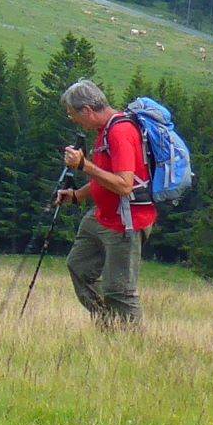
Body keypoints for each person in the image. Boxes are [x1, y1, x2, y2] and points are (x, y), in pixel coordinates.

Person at [56, 79, 156, 328]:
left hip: (126, 221)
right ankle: (110, 326)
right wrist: (78, 195)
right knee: (79, 266)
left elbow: (124, 184)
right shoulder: (105, 130)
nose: (73, 120)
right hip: (102, 215)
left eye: (73, 114)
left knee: (119, 289)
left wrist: (83, 165)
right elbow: (107, 178)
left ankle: (130, 346)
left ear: (87, 111)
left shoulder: (120, 132)